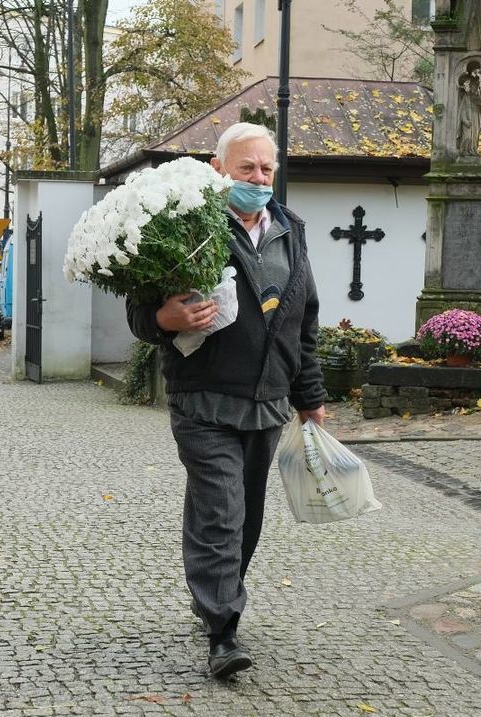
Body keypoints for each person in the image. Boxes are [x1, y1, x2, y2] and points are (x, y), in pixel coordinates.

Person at [125, 123, 325, 679]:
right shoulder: (189, 226)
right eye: (246, 169)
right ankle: (222, 629)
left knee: (248, 516)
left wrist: (310, 396)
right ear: (219, 170)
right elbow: (142, 312)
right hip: (203, 398)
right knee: (221, 508)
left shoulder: (291, 231)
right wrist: (165, 319)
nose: (258, 179)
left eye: (266, 169)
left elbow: (302, 322)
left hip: (268, 401)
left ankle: (216, 595)